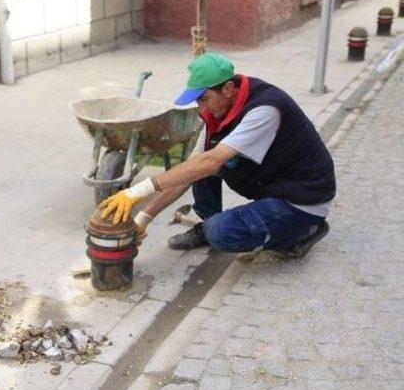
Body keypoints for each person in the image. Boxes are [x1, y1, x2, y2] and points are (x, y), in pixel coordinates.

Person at [99, 52, 335, 259]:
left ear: (227, 89)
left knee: (221, 233)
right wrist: (144, 218)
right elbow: (195, 166)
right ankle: (210, 223)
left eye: (204, 99)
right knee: (198, 166)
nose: (201, 108)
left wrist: (139, 191)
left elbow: (212, 162)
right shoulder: (218, 111)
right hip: (271, 185)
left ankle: (304, 231)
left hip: (301, 199)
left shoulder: (265, 110)